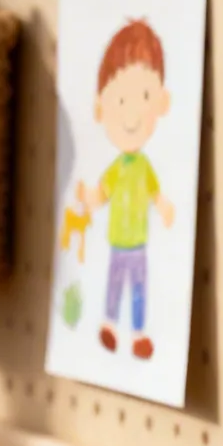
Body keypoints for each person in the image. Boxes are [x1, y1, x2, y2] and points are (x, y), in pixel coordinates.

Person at [74, 19, 176, 359]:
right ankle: (108, 324)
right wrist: (87, 199)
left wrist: (163, 207)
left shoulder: (143, 167)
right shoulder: (117, 168)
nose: (131, 112)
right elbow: (102, 193)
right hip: (119, 242)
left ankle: (138, 333)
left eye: (144, 96)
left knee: (138, 290)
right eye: (120, 100)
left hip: (138, 244)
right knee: (115, 286)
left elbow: (155, 193)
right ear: (101, 108)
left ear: (161, 101)